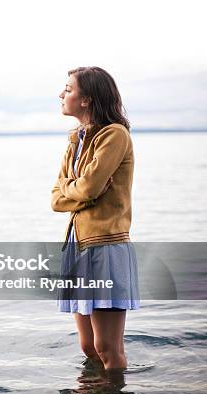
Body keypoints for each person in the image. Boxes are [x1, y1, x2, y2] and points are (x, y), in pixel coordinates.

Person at [51, 66, 140, 371]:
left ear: (87, 99)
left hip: (106, 246)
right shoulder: (75, 139)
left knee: (107, 347)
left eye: (68, 89)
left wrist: (77, 189)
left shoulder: (114, 135)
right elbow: (55, 198)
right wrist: (78, 190)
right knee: (88, 346)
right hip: (77, 246)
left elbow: (87, 186)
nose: (62, 95)